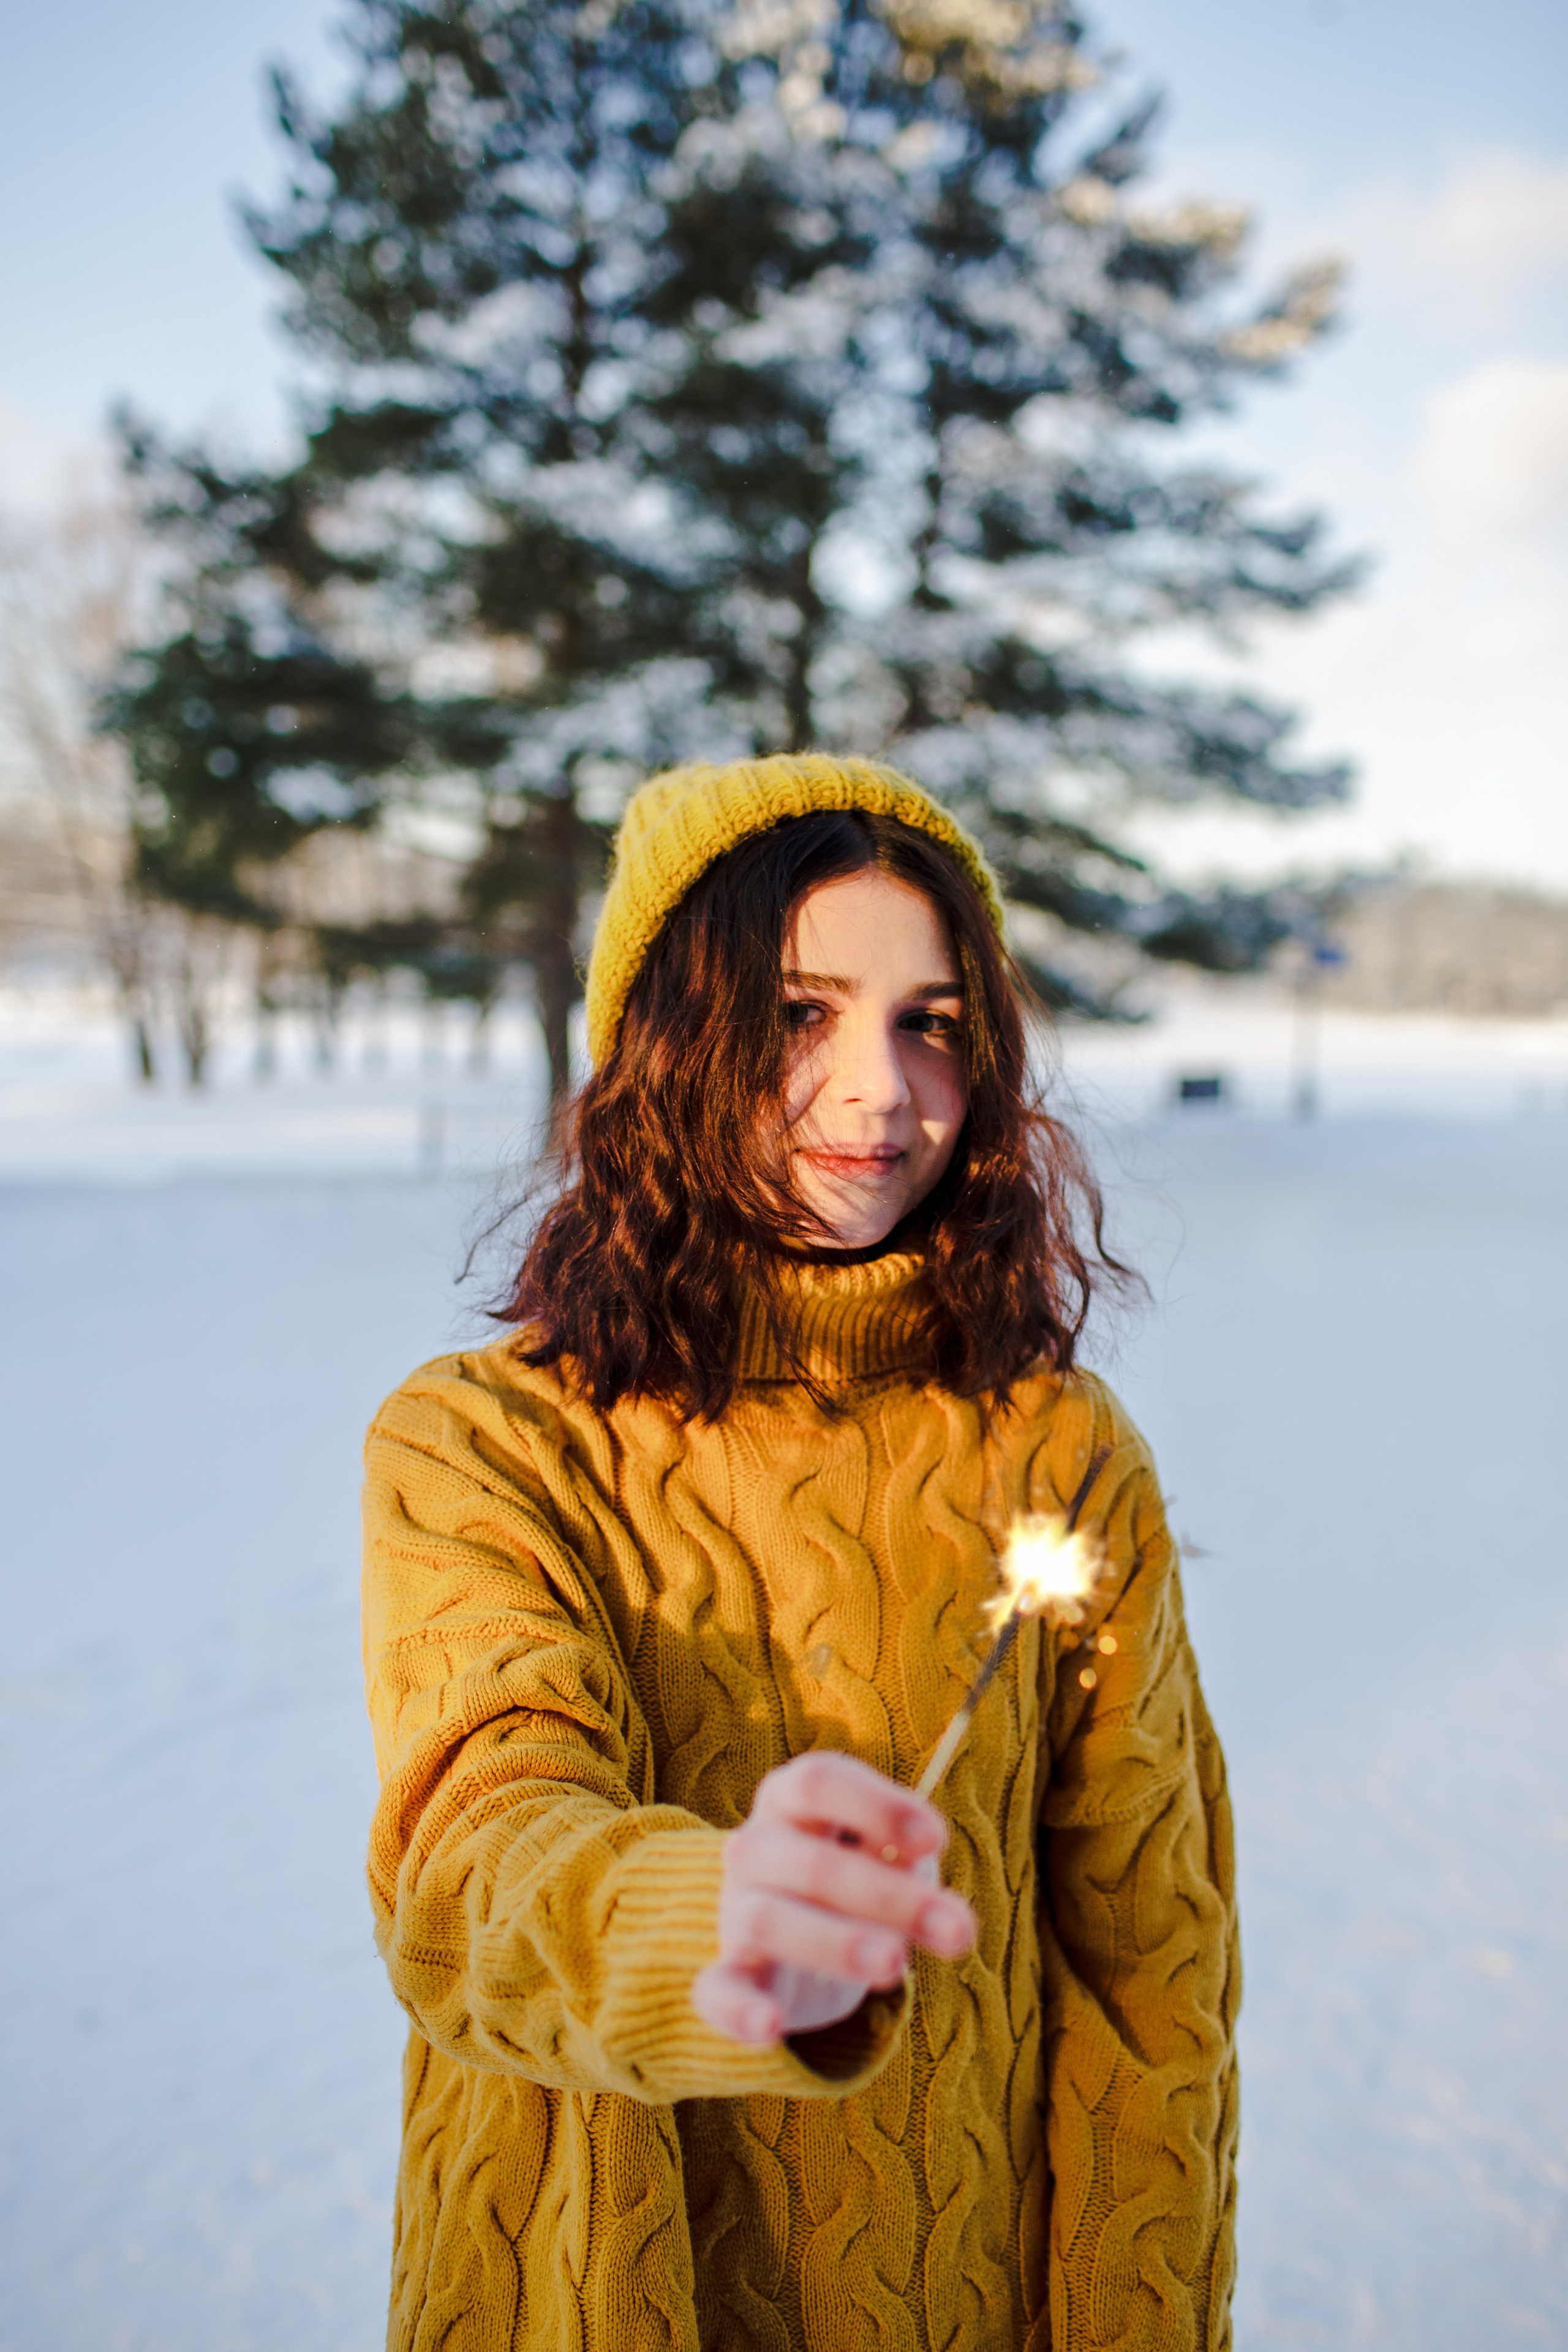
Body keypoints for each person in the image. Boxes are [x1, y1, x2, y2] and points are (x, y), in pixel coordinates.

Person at [361, 753, 1239, 2352]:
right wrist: (714, 1923)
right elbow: (468, 1870)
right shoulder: (483, 1447)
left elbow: (1150, 1979)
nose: (878, 1092)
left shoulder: (1061, 1455)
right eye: (798, 1014)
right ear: (659, 1044)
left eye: (932, 1023)